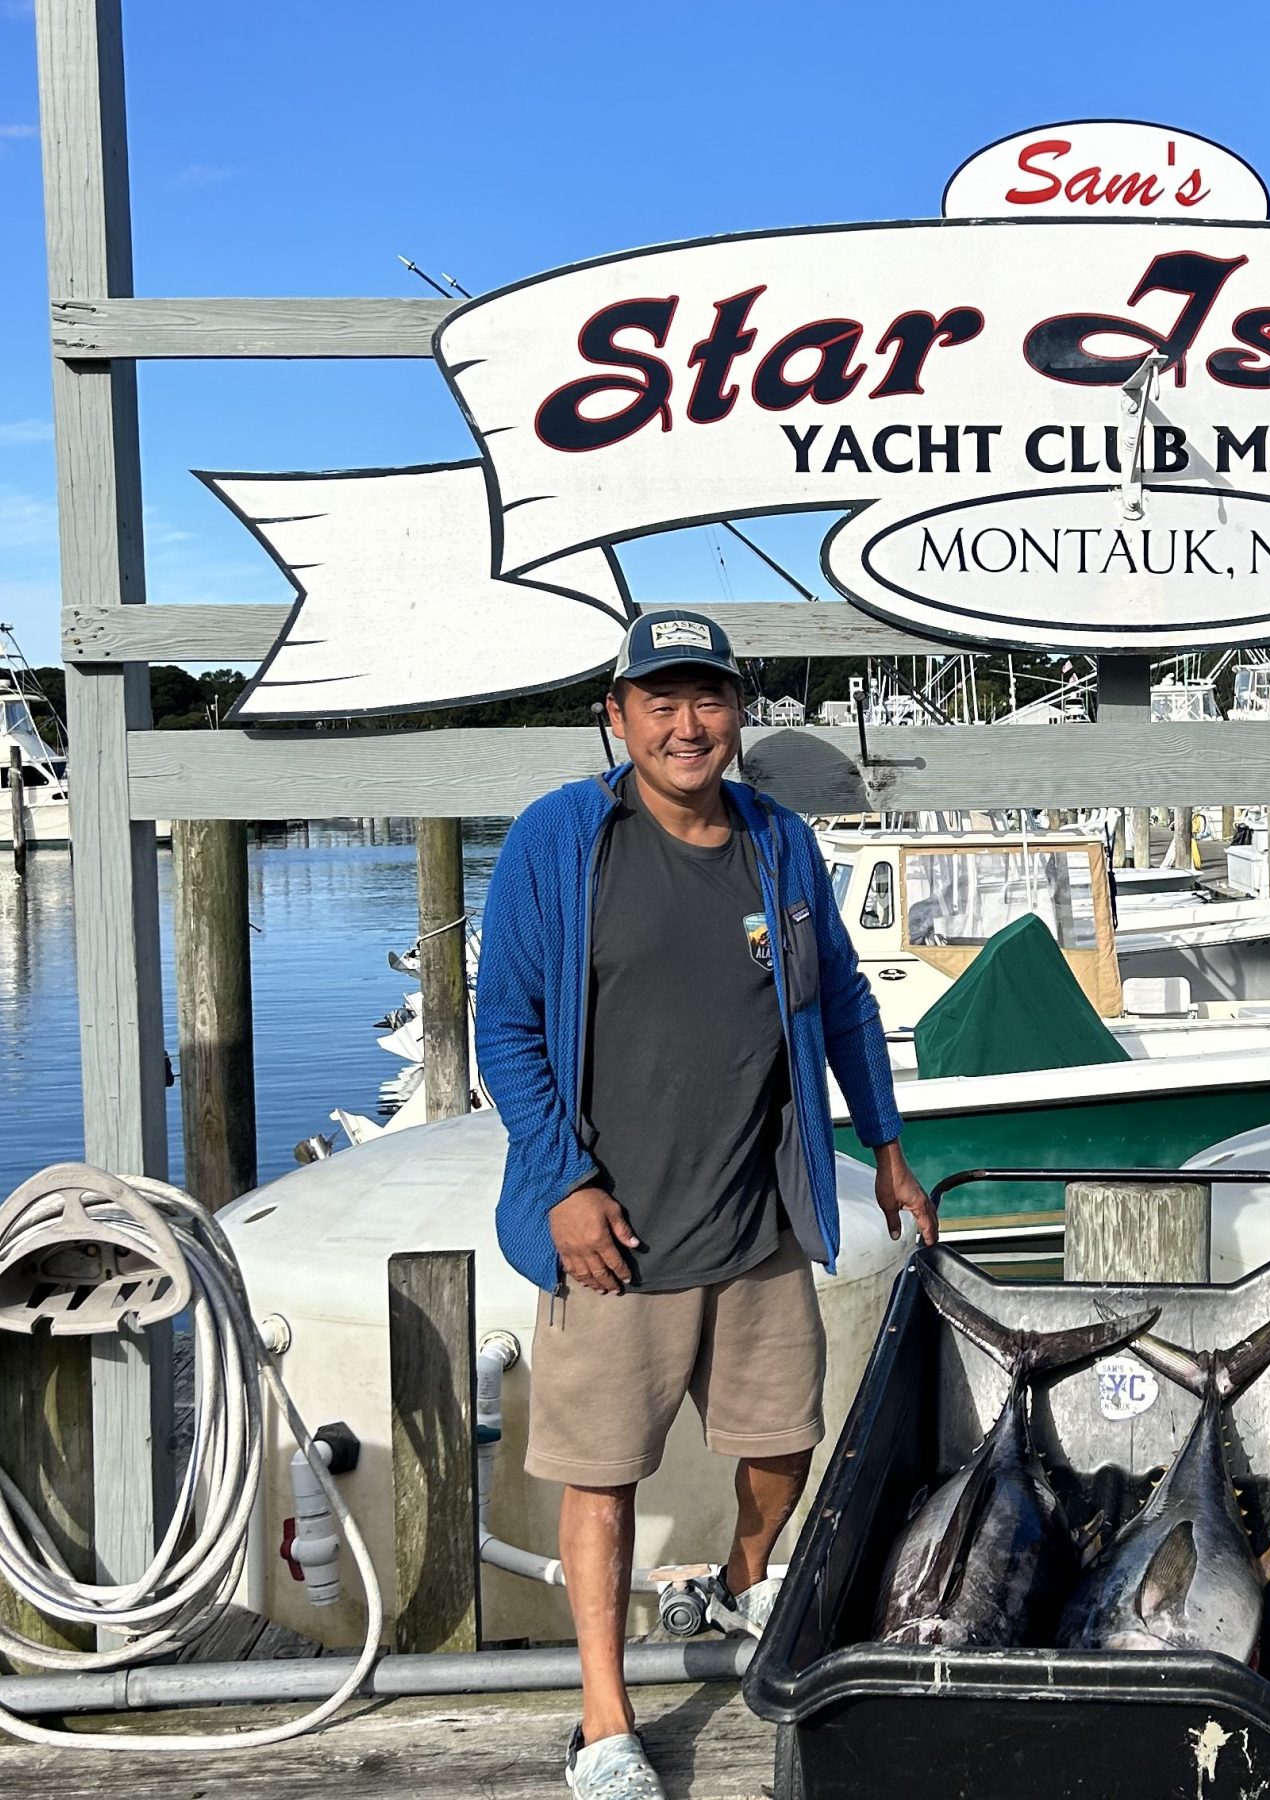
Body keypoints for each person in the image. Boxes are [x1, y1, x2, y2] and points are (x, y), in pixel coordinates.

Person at [475, 608, 934, 1800]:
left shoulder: (779, 844)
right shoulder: (560, 840)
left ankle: (739, 1575)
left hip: (759, 1219)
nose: (688, 725)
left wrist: (883, 1144)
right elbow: (506, 1028)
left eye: (710, 699)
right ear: (617, 717)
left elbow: (841, 1005)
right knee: (602, 1472)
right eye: (661, 701)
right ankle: (605, 1721)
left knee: (784, 1439)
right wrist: (563, 1182)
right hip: (612, 1234)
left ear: (739, 714)